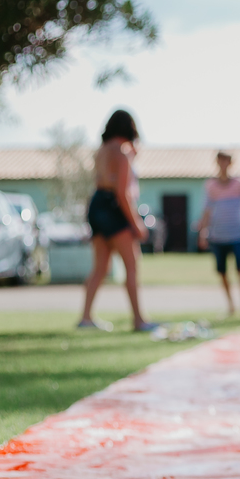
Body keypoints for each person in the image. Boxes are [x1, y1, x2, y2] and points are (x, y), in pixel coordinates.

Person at [80, 110, 153, 332]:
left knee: (100, 267)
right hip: (113, 206)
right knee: (131, 265)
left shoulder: (101, 151)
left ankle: (86, 317)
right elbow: (122, 193)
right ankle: (139, 320)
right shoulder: (121, 154)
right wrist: (137, 224)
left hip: (96, 205)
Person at [197, 152, 240, 319]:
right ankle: (230, 305)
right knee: (222, 272)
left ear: (230, 163)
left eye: (226, 160)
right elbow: (206, 211)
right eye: (220, 160)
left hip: (238, 234)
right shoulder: (211, 186)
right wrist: (202, 233)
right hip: (218, 235)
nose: (223, 164)